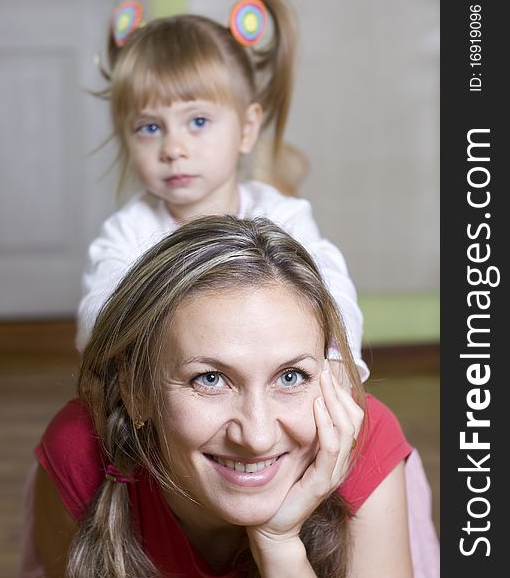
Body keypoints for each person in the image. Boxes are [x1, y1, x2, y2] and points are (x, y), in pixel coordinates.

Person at [32, 216, 414, 578]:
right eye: (211, 379)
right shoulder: (79, 451)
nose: (257, 436)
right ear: (137, 393)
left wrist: (279, 547)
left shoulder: (367, 440)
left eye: (291, 376)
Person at [75, 0, 368, 390]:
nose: (173, 148)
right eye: (150, 128)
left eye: (197, 121)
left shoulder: (283, 215)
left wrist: (336, 361)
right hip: (174, 394)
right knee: (70, 435)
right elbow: (98, 320)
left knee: (380, 426)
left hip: (274, 385)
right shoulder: (128, 232)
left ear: (247, 129)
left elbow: (334, 293)